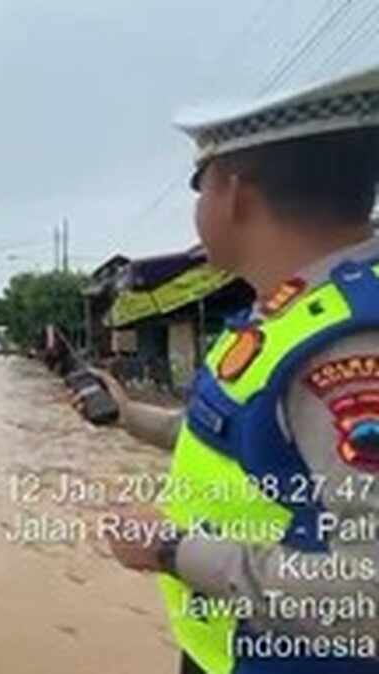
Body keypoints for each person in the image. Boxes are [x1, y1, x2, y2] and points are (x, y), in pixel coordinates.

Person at [91, 67, 379, 673]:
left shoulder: (350, 348)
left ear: (236, 193)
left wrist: (171, 549)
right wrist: (128, 416)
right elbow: (244, 441)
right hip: (229, 649)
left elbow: (367, 592)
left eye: (200, 184)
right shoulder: (284, 312)